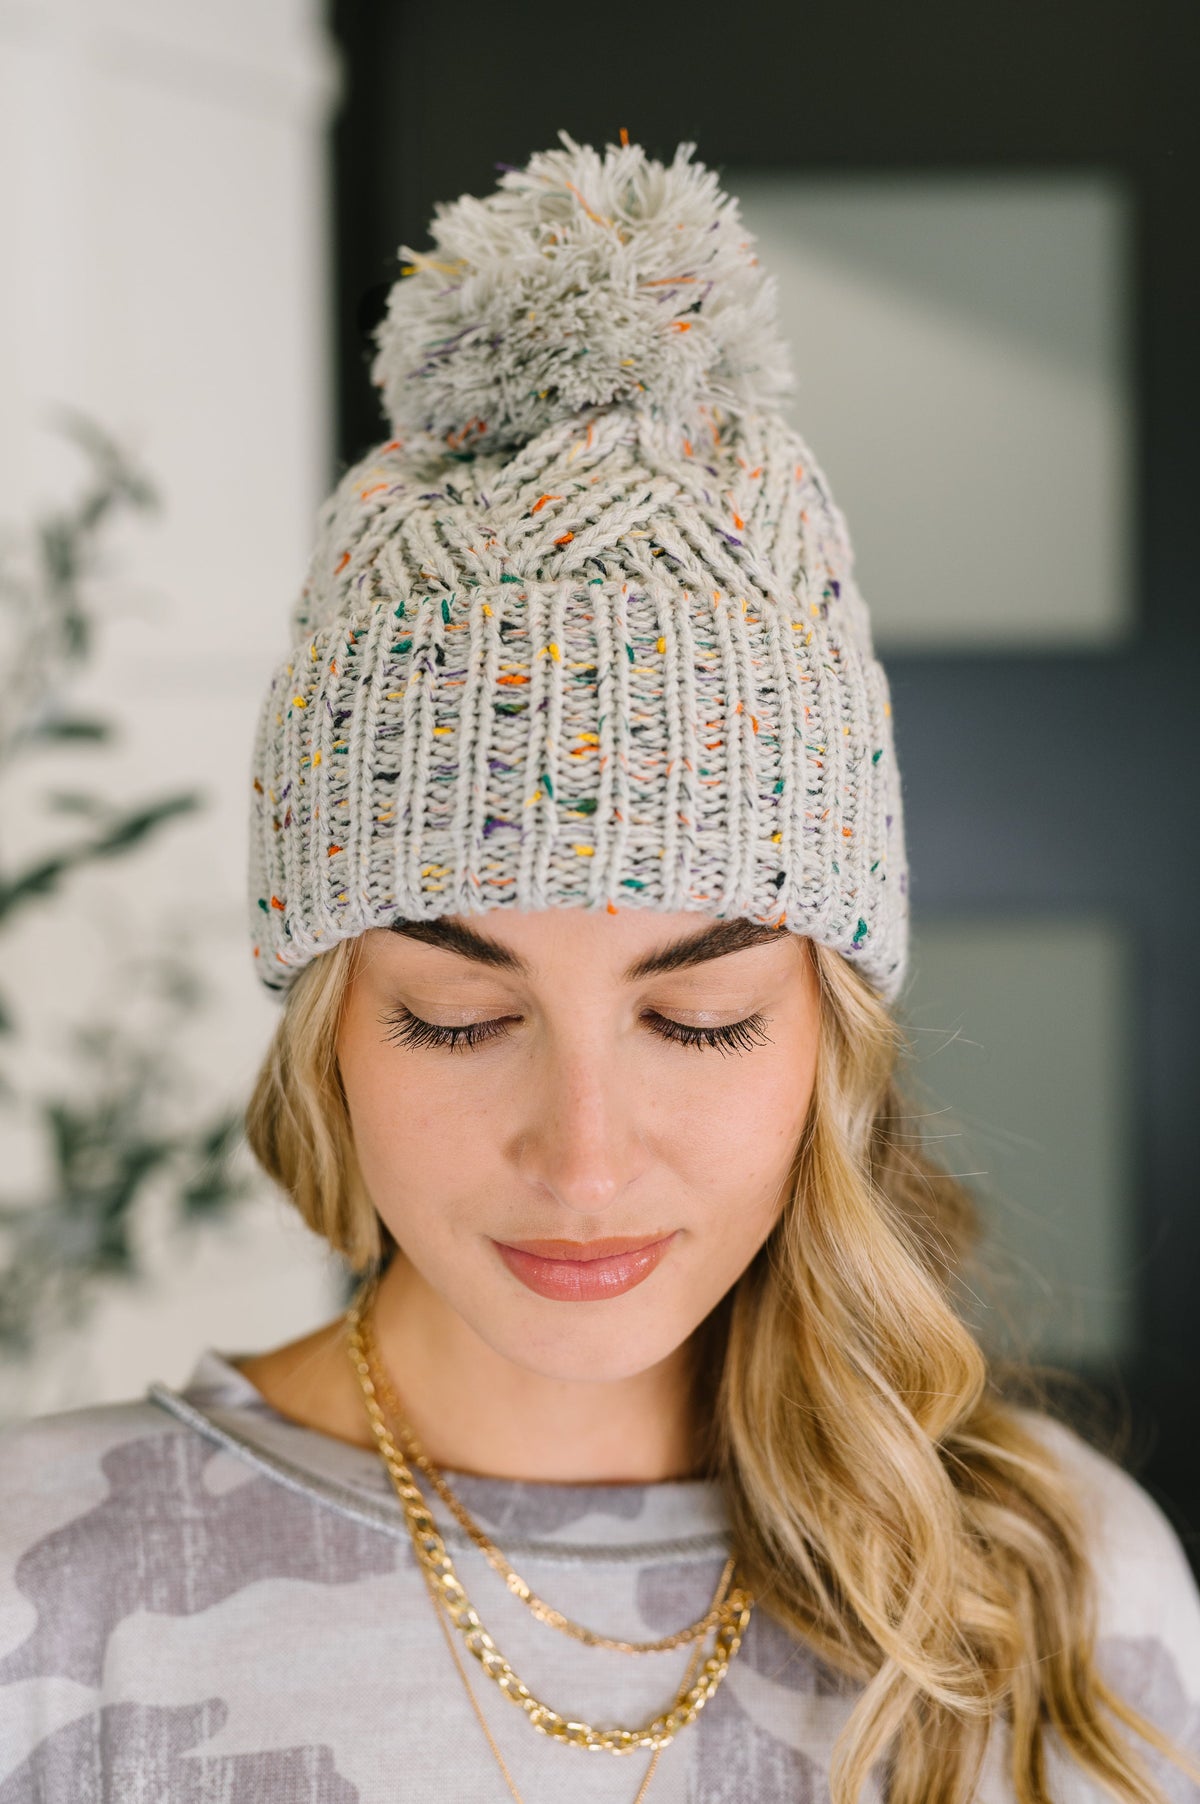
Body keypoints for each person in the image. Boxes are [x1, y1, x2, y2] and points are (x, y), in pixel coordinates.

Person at [1, 130, 1197, 1804]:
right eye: (459, 1015)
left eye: (699, 1021)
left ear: (825, 1045)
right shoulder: (44, 1591)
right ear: (328, 1035)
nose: (583, 1155)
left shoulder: (1057, 1594)